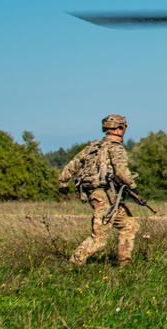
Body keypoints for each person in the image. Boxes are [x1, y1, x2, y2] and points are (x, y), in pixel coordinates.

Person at [57, 114, 140, 267]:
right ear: (120, 129)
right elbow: (122, 171)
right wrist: (134, 188)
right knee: (99, 238)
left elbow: (73, 163)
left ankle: (124, 263)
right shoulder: (115, 148)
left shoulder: (93, 147)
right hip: (103, 195)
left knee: (129, 224)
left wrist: (63, 182)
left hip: (100, 194)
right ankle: (74, 262)